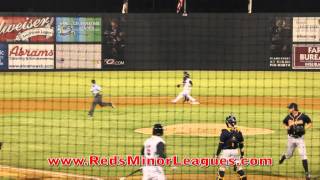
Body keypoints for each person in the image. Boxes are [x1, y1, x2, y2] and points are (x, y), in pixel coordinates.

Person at [279, 103, 312, 180]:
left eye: (290, 108)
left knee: (303, 155)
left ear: (293, 108)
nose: (289, 109)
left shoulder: (303, 116)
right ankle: (284, 157)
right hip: (291, 138)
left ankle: (307, 174)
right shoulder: (288, 116)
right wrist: (286, 127)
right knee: (289, 155)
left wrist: (305, 128)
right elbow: (284, 122)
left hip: (300, 139)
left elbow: (310, 123)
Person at [215, 114, 247, 180]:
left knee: (222, 167)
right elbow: (241, 145)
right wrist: (242, 155)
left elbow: (220, 145)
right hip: (235, 152)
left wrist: (217, 154)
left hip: (225, 152)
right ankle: (243, 177)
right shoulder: (239, 132)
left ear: (227, 123)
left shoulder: (224, 132)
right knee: (239, 168)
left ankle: (220, 177)